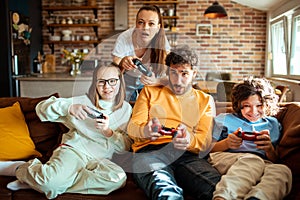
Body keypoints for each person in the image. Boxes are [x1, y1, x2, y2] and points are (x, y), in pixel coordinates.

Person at [0, 63, 132, 199]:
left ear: (120, 82)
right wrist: (69, 108)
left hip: (100, 159)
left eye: (112, 81)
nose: (107, 87)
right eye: (101, 82)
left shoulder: (126, 109)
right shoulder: (82, 101)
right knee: (50, 183)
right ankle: (22, 169)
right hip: (74, 151)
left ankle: (48, 183)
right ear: (95, 83)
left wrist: (108, 132)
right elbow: (41, 109)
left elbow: (126, 146)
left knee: (118, 178)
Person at [127, 45, 221, 199]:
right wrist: (145, 131)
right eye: (173, 73)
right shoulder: (149, 91)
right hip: (150, 152)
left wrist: (188, 140)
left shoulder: (205, 100)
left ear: (194, 74)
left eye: (184, 74)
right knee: (164, 189)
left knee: (215, 187)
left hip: (187, 154)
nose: (177, 81)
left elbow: (204, 142)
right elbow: (133, 127)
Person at [209, 77, 292, 200]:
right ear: (238, 105)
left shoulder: (273, 124)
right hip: (225, 157)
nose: (254, 111)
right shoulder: (224, 119)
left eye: (259, 105)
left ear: (267, 104)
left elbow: (275, 159)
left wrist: (269, 149)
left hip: (262, 161)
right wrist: (226, 143)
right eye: (247, 105)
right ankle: (223, 197)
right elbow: (207, 149)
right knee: (252, 160)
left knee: (282, 170)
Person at [112, 5, 171, 102]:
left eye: (151, 24)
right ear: (136, 24)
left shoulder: (162, 42)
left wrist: (156, 81)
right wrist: (122, 63)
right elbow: (114, 67)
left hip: (151, 80)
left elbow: (171, 74)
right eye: (141, 22)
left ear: (158, 28)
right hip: (127, 79)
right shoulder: (124, 38)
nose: (145, 28)